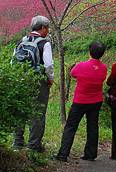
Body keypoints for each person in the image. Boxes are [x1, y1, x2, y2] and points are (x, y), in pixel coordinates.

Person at [54, 41, 107, 162]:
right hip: (96, 101)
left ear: (89, 51)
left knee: (71, 126)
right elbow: (102, 78)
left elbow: (72, 74)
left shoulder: (81, 65)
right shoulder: (103, 68)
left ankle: (63, 154)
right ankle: (90, 154)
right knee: (93, 127)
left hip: (80, 101)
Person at [12, 15, 54, 152]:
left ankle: (17, 143)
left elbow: (13, 62)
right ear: (42, 28)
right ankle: (34, 145)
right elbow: (48, 65)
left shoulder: (21, 41)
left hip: (21, 80)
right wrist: (50, 79)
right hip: (38, 82)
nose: (48, 31)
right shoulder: (44, 43)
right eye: (47, 28)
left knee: (20, 111)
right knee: (38, 113)